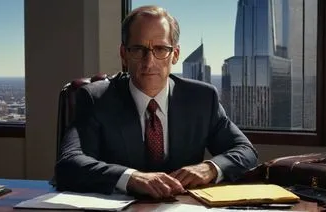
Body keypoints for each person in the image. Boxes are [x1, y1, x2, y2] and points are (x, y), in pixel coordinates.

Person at [55, 5, 258, 199]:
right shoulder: (95, 99)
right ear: (124, 54)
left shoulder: (202, 99)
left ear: (175, 55)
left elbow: (246, 151)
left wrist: (210, 168)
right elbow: (68, 164)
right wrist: (130, 177)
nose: (149, 61)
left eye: (160, 49)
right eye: (138, 49)